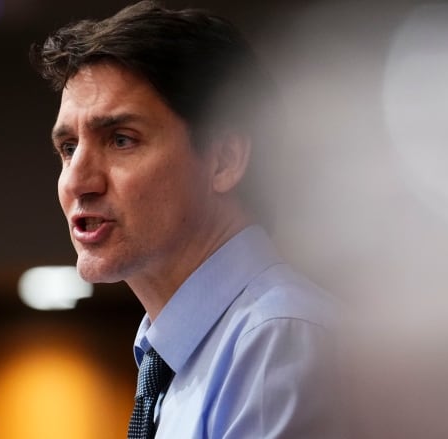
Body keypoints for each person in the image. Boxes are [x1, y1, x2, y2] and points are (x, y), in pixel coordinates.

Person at [29, 1, 343, 437]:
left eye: (121, 140)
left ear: (224, 159)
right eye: (67, 148)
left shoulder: (279, 340)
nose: (77, 181)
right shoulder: (172, 356)